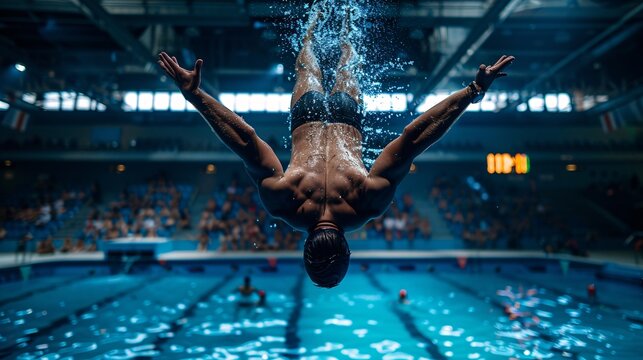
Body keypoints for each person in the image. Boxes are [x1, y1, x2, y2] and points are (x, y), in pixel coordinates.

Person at [158, 7, 514, 288]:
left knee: (347, 60)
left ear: (346, 250)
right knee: (306, 60)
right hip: (307, 119)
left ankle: (342, 27)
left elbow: (414, 137)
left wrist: (472, 91)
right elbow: (246, 139)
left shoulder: (367, 202)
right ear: (304, 251)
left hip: (347, 120)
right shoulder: (284, 203)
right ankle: (315, 27)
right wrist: (194, 95)